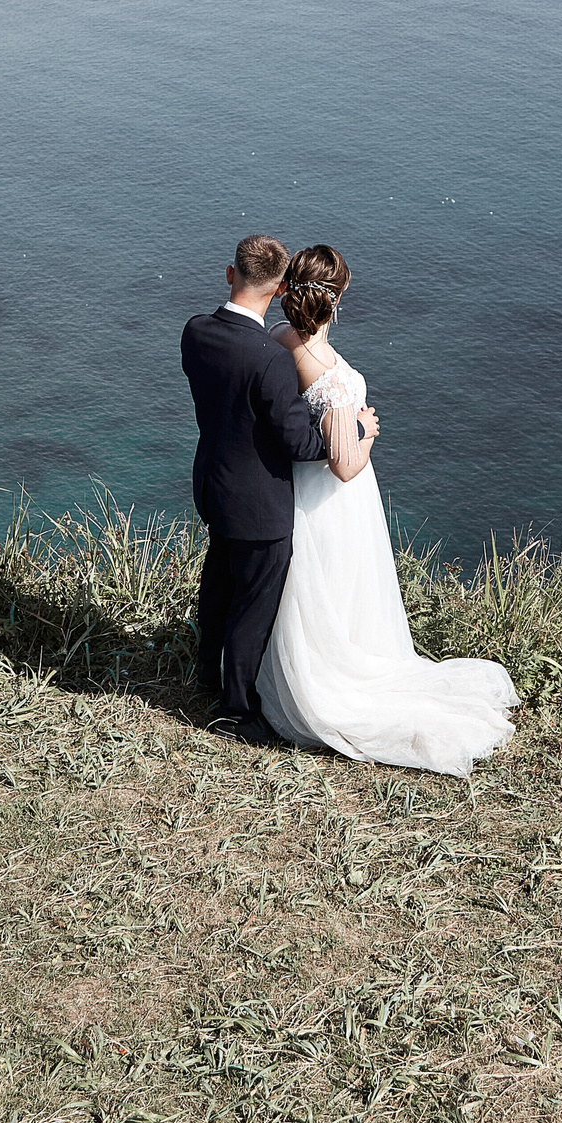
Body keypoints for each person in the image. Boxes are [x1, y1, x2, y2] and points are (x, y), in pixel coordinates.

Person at [258, 244, 519, 778]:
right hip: (336, 503)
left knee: (313, 596)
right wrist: (366, 429)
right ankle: (338, 680)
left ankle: (288, 672)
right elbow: (346, 467)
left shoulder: (278, 341)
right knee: (343, 591)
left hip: (296, 496)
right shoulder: (330, 373)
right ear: (337, 299)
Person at [180, 234, 377, 745]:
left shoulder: (197, 332)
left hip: (214, 484)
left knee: (219, 581)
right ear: (281, 286)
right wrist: (356, 429)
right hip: (259, 501)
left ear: (230, 273)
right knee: (253, 604)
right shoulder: (268, 358)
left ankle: (206, 670)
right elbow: (301, 443)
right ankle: (236, 709)